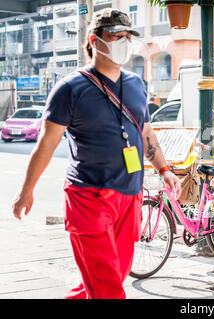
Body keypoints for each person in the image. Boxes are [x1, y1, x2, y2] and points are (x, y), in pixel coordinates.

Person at [11, 8, 181, 299]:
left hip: (130, 195)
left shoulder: (137, 84)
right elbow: (47, 143)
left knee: (114, 273)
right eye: (116, 36)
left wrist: (165, 170)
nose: (124, 42)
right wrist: (26, 191)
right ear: (95, 40)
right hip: (88, 197)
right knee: (107, 288)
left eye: (127, 37)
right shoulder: (69, 89)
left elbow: (146, 134)